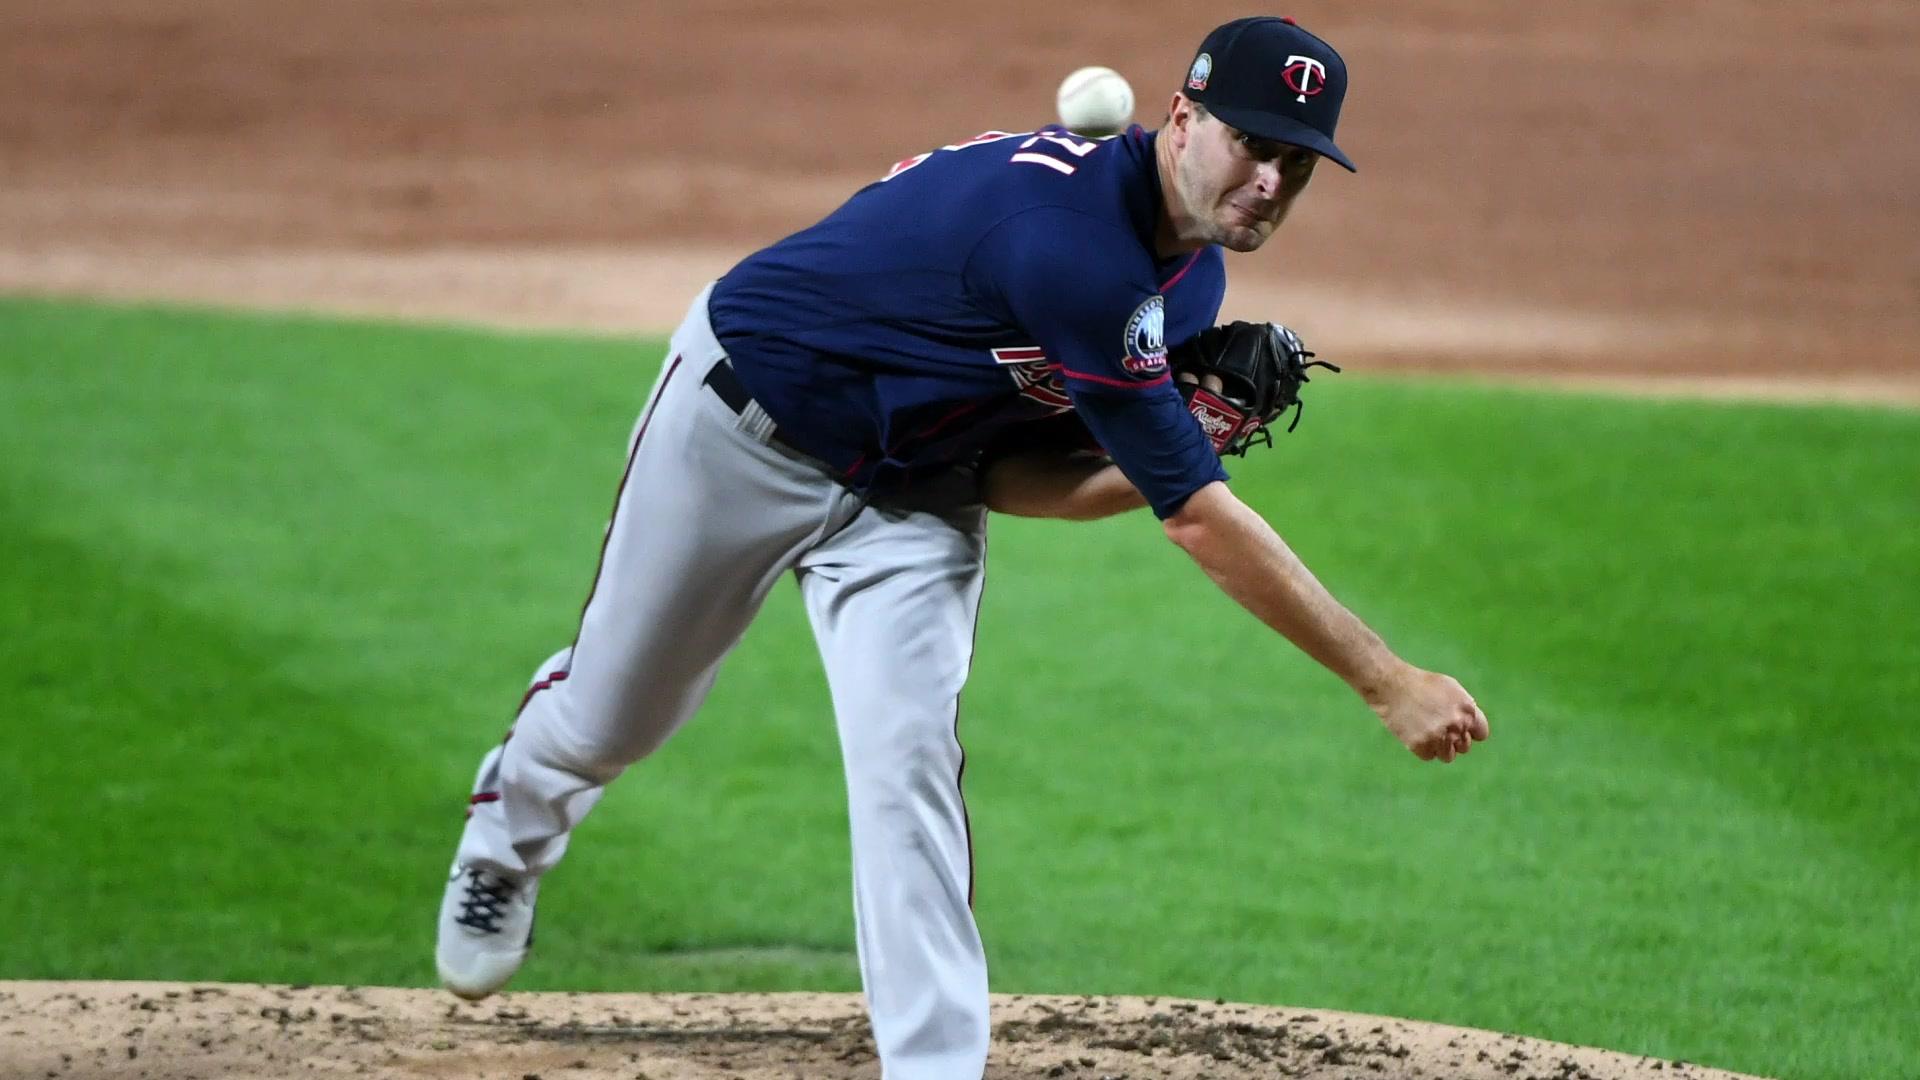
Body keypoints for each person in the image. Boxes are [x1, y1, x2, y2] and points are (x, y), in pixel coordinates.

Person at [435, 15, 1490, 1080]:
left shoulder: (1189, 286)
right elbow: (1195, 519)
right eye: (1252, 145)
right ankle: (507, 834)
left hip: (912, 490)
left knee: (908, 764)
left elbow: (1015, 481)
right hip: (742, 426)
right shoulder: (1068, 243)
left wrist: (1189, 441)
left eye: (1296, 163)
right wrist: (1382, 678)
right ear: (1183, 119)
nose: (1269, 181)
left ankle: (933, 1066)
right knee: (617, 715)